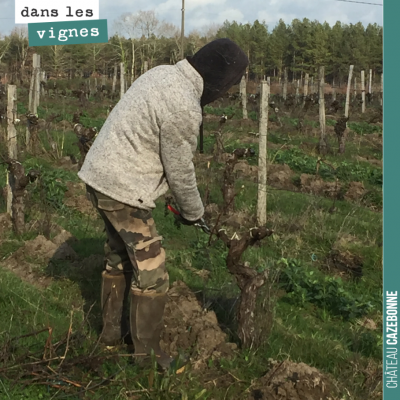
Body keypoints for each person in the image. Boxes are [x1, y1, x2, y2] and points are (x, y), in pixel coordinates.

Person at [78, 38, 249, 370]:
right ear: (219, 79)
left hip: (98, 174)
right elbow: (181, 171)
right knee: (152, 271)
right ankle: (147, 358)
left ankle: (110, 335)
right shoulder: (184, 104)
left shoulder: (163, 73)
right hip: (122, 188)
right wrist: (193, 212)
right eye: (230, 85)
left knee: (117, 256)